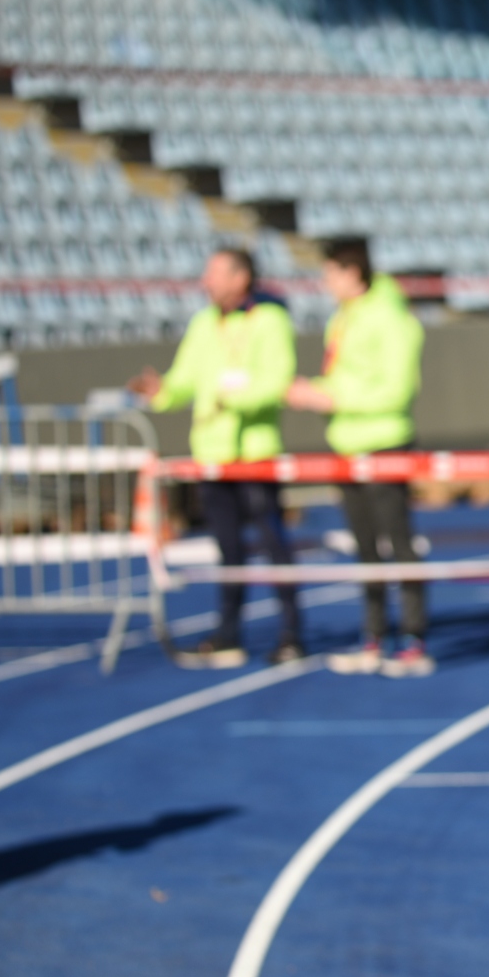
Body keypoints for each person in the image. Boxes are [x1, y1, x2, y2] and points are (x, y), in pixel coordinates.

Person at [128, 247, 302, 668]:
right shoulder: (203, 323)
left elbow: (277, 381)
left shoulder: (270, 320)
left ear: (241, 278)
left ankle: (292, 633)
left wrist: (232, 398)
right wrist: (161, 391)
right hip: (212, 455)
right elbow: (185, 380)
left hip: (255, 453)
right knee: (227, 549)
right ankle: (229, 633)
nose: (206, 281)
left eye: (215, 274)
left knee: (274, 545)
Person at [285, 239, 432, 678]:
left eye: (330, 272)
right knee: (365, 547)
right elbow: (343, 379)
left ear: (352, 272)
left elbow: (397, 389)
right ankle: (374, 639)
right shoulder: (342, 317)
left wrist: (329, 398)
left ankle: (413, 640)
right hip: (345, 445)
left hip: (384, 444)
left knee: (398, 543)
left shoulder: (391, 318)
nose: (324, 282)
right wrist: (314, 391)